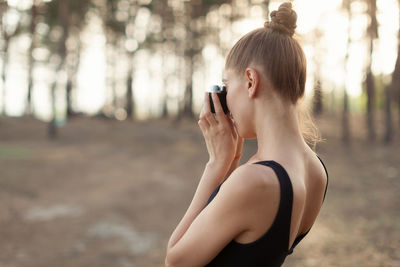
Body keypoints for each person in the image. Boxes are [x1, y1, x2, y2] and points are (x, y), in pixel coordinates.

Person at [165, 2, 329, 267]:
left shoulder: (254, 181)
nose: (226, 99)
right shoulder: (316, 172)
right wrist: (233, 159)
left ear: (251, 81)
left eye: (227, 85)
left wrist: (215, 166)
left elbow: (175, 261)